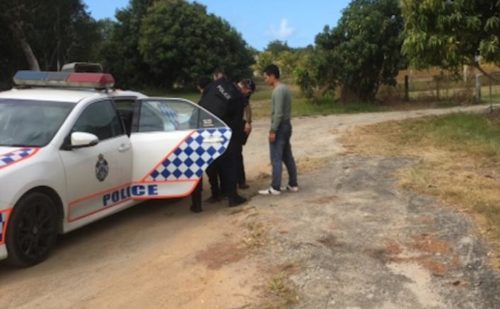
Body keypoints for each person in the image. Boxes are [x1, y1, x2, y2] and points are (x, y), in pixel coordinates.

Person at [199, 68, 247, 207]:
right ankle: (232, 197)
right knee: (229, 164)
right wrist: (238, 139)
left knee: (212, 164)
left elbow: (201, 105)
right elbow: (238, 119)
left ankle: (216, 194)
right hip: (225, 132)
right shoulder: (236, 94)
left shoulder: (210, 87)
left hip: (206, 130)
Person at [258, 64, 299, 196]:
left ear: (272, 76)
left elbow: (278, 113)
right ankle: (293, 184)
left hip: (280, 127)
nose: (265, 80)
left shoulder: (278, 90)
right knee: (287, 156)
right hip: (287, 125)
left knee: (276, 157)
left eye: (266, 77)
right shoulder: (285, 88)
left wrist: (273, 130)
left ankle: (275, 187)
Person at [189, 76, 212, 213]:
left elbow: (193, 121)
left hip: (199, 139)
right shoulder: (215, 99)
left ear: (199, 88)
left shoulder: (201, 103)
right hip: (213, 139)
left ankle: (197, 204)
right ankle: (217, 192)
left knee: (196, 170)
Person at [235, 79, 256, 189]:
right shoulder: (233, 91)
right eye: (248, 92)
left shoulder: (243, 95)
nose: (248, 94)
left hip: (238, 125)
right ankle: (236, 182)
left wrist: (248, 122)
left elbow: (247, 107)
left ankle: (241, 181)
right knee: (234, 155)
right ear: (243, 87)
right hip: (230, 126)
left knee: (238, 153)